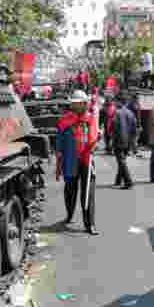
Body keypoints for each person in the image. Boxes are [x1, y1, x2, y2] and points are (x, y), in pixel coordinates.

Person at [55, 90, 99, 235]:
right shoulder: (65, 120)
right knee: (70, 190)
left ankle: (90, 224)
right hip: (70, 160)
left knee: (88, 193)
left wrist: (98, 137)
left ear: (84, 104)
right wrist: (59, 158)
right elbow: (60, 142)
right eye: (73, 103)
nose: (76, 106)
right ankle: (69, 214)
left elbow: (94, 137)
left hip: (87, 159)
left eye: (78, 103)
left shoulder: (91, 119)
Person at [112, 96, 136, 189]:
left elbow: (114, 127)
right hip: (128, 141)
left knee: (121, 161)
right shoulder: (131, 113)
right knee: (122, 161)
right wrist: (133, 142)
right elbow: (134, 129)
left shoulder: (117, 113)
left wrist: (112, 139)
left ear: (119, 102)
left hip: (119, 140)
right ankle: (118, 180)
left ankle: (128, 181)